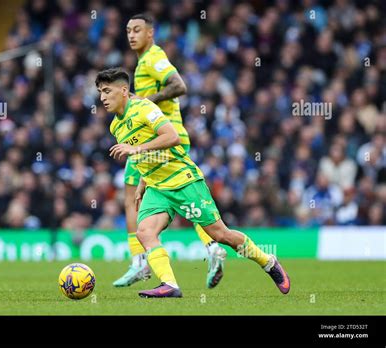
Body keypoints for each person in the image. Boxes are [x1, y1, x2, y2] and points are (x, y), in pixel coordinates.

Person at [96, 68, 290, 298]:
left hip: (183, 181)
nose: (102, 98)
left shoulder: (144, 109)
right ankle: (169, 285)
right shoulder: (115, 126)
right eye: (100, 92)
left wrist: (135, 148)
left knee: (221, 235)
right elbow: (142, 159)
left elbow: (172, 137)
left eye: (107, 91)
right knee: (145, 232)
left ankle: (267, 261)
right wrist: (142, 183)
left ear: (124, 90)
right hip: (157, 188)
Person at [112, 13, 226, 288]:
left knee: (131, 198)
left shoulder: (153, 58)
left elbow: (179, 86)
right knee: (188, 201)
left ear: (150, 33)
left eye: (137, 30)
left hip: (161, 137)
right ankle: (212, 247)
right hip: (166, 137)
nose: (131, 35)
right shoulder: (143, 61)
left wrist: (143, 101)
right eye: (128, 30)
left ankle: (140, 262)